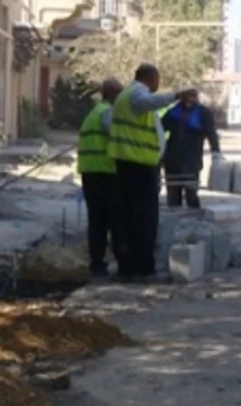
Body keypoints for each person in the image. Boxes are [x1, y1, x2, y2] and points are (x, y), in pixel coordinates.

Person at [107, 63, 180, 279]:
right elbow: (147, 102)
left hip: (128, 164)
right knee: (144, 219)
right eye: (157, 79)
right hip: (138, 166)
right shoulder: (137, 94)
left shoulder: (124, 97)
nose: (158, 83)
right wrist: (175, 95)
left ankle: (128, 266)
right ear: (150, 78)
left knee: (127, 218)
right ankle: (142, 266)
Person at [77, 77, 123, 278]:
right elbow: (118, 137)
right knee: (114, 219)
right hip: (106, 173)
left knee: (96, 220)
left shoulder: (92, 113)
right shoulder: (107, 113)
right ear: (113, 94)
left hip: (89, 172)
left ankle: (97, 262)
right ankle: (121, 261)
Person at [161, 89, 220, 209]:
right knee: (173, 197)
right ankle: (174, 223)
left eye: (192, 96)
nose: (189, 99)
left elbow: (211, 133)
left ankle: (194, 223)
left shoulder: (203, 113)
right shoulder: (173, 112)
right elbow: (160, 128)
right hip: (172, 161)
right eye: (186, 96)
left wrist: (215, 151)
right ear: (181, 97)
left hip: (192, 161)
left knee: (191, 195)